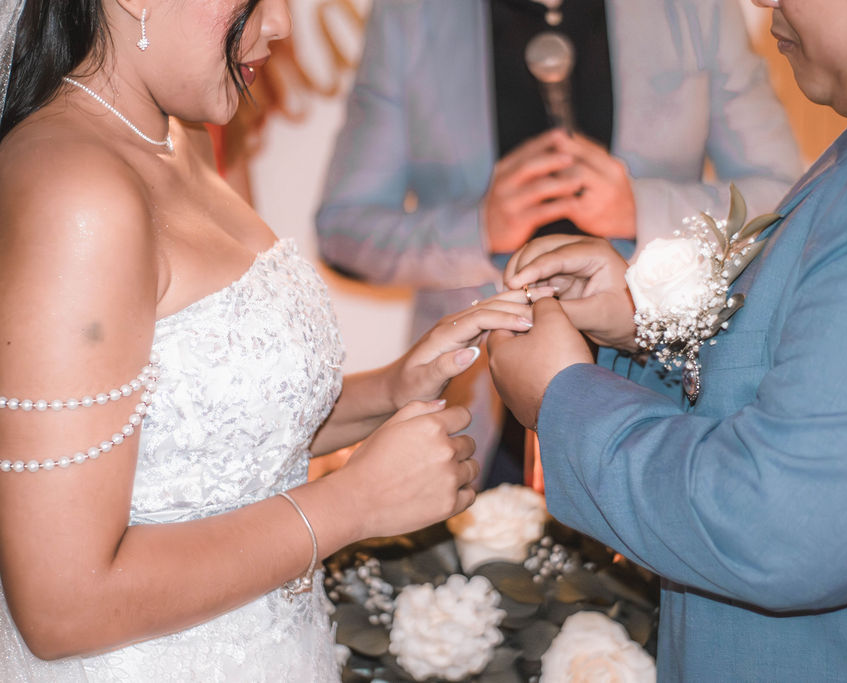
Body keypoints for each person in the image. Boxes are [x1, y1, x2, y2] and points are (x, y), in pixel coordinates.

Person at [0, 1, 538, 680]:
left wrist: (393, 387)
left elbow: (210, 445)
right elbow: (63, 607)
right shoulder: (75, 193)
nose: (281, 24)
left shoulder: (182, 140)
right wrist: (353, 504)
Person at [487, 0, 847, 678]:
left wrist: (562, 400)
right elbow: (828, 387)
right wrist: (643, 324)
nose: (761, 0)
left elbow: (778, 530)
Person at [314, 0, 802, 485]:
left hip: (659, 393)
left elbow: (786, 196)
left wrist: (639, 207)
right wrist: (478, 228)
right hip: (475, 411)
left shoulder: (699, 7)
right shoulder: (410, 13)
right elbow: (344, 229)